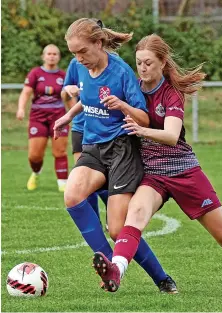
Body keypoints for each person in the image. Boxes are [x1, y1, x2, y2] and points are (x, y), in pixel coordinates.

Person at [92, 34, 222, 292]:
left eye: (148, 63)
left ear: (163, 63)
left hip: (184, 173)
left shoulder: (171, 93)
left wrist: (142, 131)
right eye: (139, 63)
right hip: (153, 175)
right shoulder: (133, 87)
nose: (143, 69)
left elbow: (170, 136)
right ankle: (116, 270)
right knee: (134, 216)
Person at [54, 19, 178, 293]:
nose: (78, 58)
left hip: (122, 149)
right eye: (73, 53)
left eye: (82, 51)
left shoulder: (121, 72)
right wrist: (67, 115)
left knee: (117, 229)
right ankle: (111, 266)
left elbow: (144, 117)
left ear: (98, 43)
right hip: (94, 147)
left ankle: (162, 278)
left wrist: (122, 105)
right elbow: (88, 97)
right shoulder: (78, 66)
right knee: (72, 194)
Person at [61, 58, 109, 225]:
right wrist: (69, 90)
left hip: (103, 129)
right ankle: (95, 224)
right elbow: (65, 90)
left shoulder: (114, 65)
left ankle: (114, 213)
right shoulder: (75, 63)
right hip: (80, 127)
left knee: (105, 179)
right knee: (82, 181)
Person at [16, 44, 69, 192]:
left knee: (59, 152)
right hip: (37, 117)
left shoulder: (63, 76)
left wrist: (76, 115)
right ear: (43, 56)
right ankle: (36, 172)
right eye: (49, 54)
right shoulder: (35, 73)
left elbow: (70, 98)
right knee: (34, 156)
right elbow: (26, 92)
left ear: (58, 57)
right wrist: (21, 108)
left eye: (55, 54)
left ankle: (62, 183)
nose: (52, 56)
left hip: (58, 117)